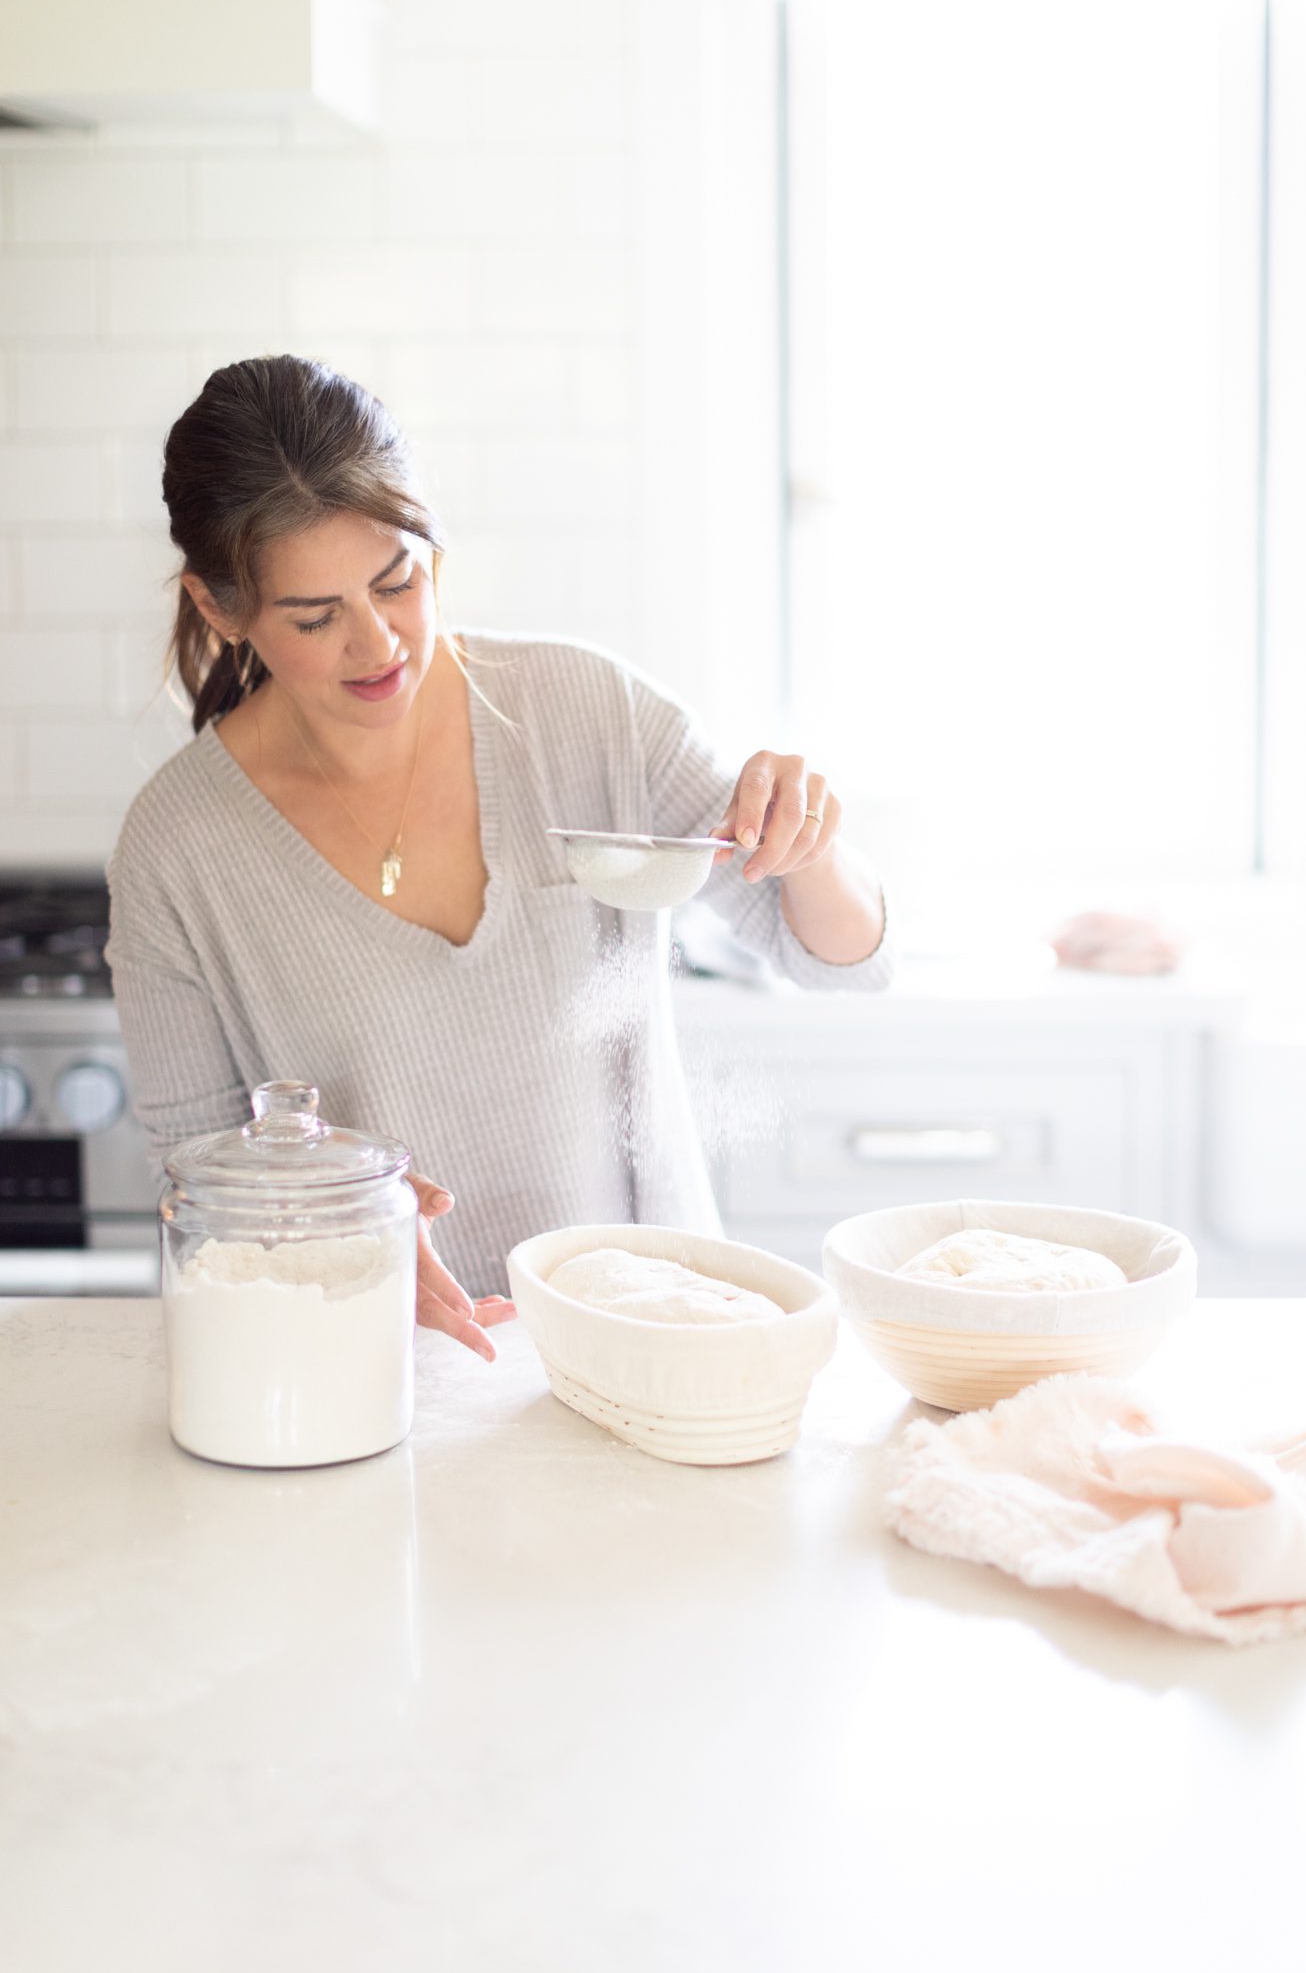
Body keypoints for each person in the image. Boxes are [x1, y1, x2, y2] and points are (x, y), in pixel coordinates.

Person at [106, 356, 894, 1363]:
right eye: (314, 618)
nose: (378, 640)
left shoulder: (585, 714)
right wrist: (337, 1243)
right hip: (372, 1367)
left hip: (655, 1342)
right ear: (222, 612)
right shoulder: (178, 846)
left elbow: (847, 958)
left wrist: (812, 841)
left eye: (397, 579)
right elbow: (196, 1170)